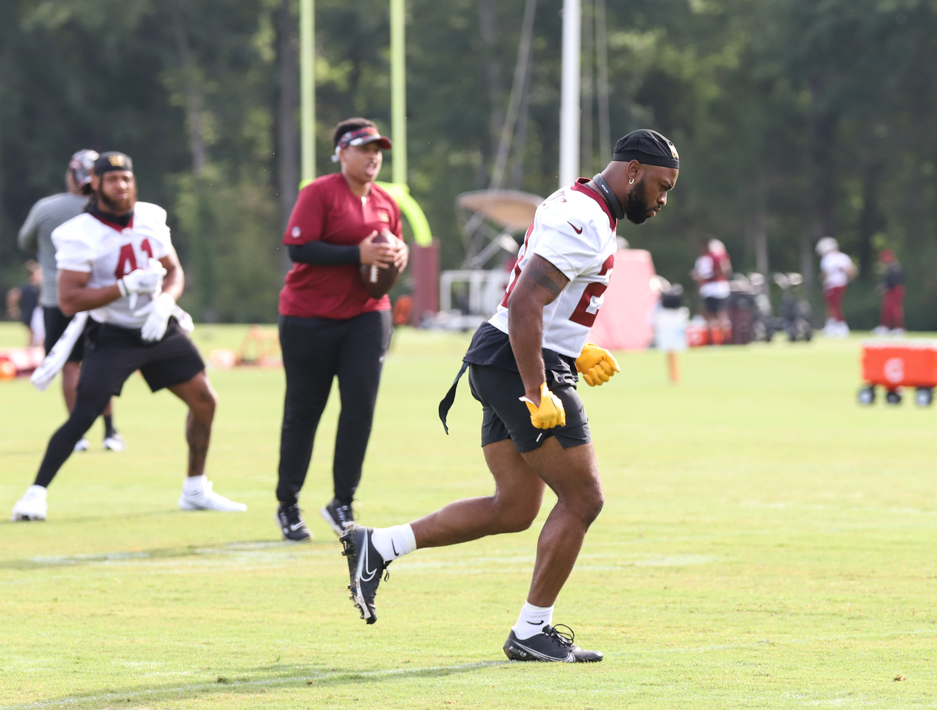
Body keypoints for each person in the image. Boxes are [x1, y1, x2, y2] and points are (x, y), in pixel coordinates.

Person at [338, 129, 680, 663]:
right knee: (584, 498)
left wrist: (576, 344)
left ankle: (378, 546)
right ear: (633, 170)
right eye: (661, 186)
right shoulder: (588, 218)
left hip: (504, 355)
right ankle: (531, 631)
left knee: (515, 506)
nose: (662, 200)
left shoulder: (575, 199)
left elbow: (546, 296)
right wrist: (537, 387)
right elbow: (525, 303)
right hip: (522, 362)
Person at [10, 152, 245, 522]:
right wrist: (124, 287)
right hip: (113, 334)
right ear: (95, 185)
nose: (122, 185)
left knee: (204, 400)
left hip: (157, 326)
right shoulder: (78, 232)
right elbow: (70, 300)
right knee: (84, 414)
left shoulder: (151, 217)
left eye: (127, 178)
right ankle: (34, 494)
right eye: (112, 179)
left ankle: (196, 489)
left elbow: (174, 272)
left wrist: (165, 301)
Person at [274, 118, 408, 542]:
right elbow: (298, 246)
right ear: (341, 153)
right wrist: (357, 252)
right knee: (304, 412)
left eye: (378, 149)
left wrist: (396, 257)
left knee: (359, 409)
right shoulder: (318, 193)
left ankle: (342, 501)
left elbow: (388, 256)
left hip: (367, 315)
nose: (373, 156)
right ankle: (288, 503)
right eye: (364, 148)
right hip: (308, 316)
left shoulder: (387, 202)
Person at [18, 150, 124, 452]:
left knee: (70, 366)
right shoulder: (111, 209)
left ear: (71, 176)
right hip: (100, 297)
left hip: (57, 298)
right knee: (100, 364)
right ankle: (110, 432)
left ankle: (77, 435)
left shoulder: (46, 208)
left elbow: (25, 242)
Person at [692, 237, 731, 344]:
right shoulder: (719, 255)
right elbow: (726, 270)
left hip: (709, 288)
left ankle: (713, 340)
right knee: (721, 314)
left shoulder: (703, 258)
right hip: (721, 287)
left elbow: (700, 276)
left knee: (710, 316)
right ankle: (726, 340)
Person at [816, 236, 856, 337]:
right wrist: (845, 279)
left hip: (832, 285)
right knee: (833, 306)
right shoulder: (843, 257)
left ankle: (841, 326)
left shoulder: (827, 258)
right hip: (841, 284)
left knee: (834, 306)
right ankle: (831, 325)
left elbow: (825, 274)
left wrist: (822, 279)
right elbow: (852, 271)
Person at [5, 261, 44, 346]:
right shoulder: (29, 287)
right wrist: (13, 309)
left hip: (34, 314)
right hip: (31, 313)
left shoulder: (36, 286)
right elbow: (13, 295)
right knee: (34, 336)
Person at [874, 249, 905, 335]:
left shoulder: (894, 267)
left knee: (895, 310)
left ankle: (899, 328)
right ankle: (885, 327)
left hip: (895, 290)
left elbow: (893, 281)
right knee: (887, 310)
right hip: (892, 291)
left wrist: (884, 287)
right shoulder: (892, 267)